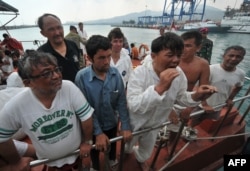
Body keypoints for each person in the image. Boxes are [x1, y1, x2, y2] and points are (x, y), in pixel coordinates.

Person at [125, 32, 217, 171]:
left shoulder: (178, 74)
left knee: (147, 150)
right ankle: (126, 154)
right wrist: (159, 88)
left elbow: (181, 97)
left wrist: (197, 95)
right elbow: (134, 105)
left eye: (179, 55)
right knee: (127, 147)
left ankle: (141, 159)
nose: (175, 60)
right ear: (153, 56)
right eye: (170, 55)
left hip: (156, 123)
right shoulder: (140, 73)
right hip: (135, 122)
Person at [0, 51, 94, 170]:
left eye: (56, 69)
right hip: (50, 164)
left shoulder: (68, 88)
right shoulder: (18, 105)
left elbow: (86, 118)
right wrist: (15, 161)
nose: (56, 76)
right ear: (28, 82)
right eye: (46, 73)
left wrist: (87, 143)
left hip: (78, 157)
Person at [75, 35, 132, 171]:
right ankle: (95, 166)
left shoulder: (115, 74)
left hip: (111, 122)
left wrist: (125, 125)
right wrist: (98, 132)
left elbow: (121, 101)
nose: (107, 61)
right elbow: (85, 109)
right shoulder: (81, 78)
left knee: (111, 146)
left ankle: (112, 159)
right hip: (91, 127)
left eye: (109, 56)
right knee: (94, 150)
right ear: (89, 58)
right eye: (101, 58)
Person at [201, 45, 246, 116]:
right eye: (231, 55)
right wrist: (204, 104)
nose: (234, 59)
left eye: (238, 57)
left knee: (210, 119)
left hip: (219, 106)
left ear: (242, 59)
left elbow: (239, 86)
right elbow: (199, 87)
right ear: (223, 56)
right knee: (194, 120)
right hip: (200, 105)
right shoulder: (210, 69)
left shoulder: (241, 74)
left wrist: (230, 98)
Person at [37, 13, 81, 83]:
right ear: (43, 33)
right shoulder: (41, 54)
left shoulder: (72, 45)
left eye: (59, 27)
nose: (57, 33)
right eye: (51, 29)